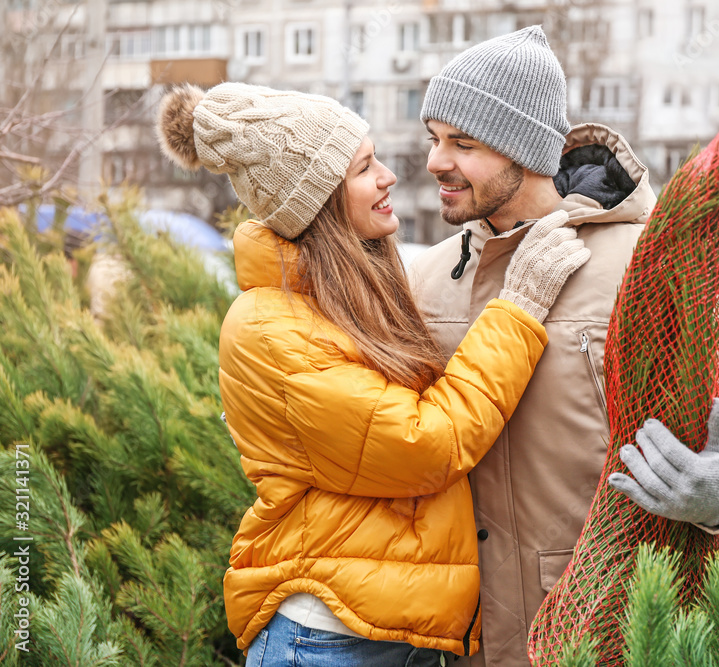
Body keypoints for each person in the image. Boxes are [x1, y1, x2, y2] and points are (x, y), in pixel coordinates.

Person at [155, 82, 590, 666]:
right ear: (318, 201)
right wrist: (518, 307)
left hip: (390, 625)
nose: (389, 176)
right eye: (364, 168)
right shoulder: (269, 328)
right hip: (326, 637)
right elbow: (425, 444)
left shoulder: (350, 297)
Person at [409, 26, 719, 666]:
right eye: (433, 140)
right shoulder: (427, 277)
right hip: (456, 640)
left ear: (524, 149)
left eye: (462, 143)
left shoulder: (647, 264)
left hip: (598, 628)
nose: (436, 162)